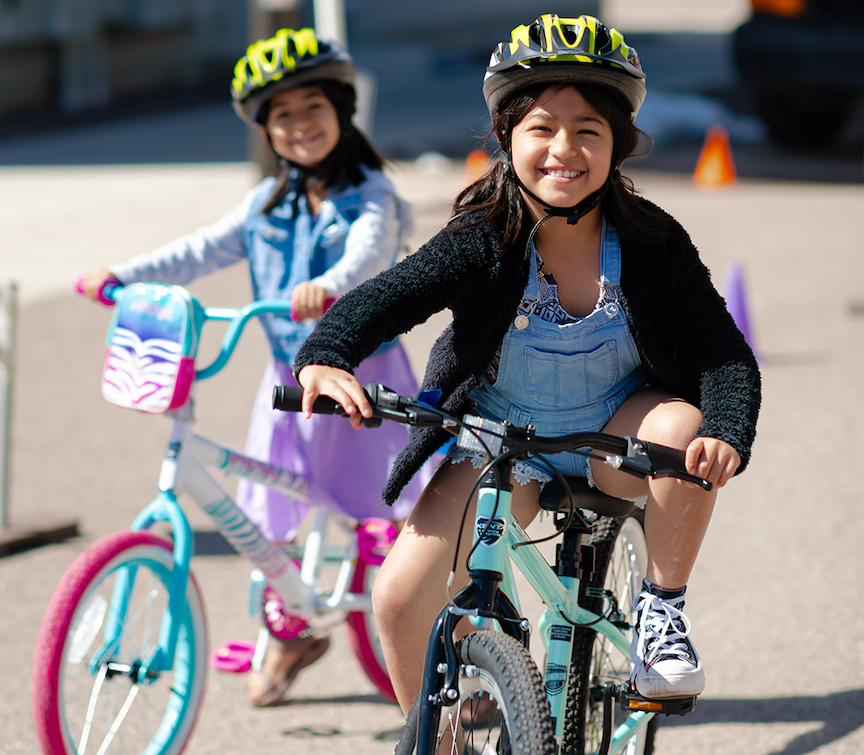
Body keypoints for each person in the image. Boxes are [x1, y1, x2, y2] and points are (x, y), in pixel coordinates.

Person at [293, 12, 761, 714]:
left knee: (681, 425)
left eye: (587, 131)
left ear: (618, 145)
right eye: (541, 128)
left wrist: (725, 425)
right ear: (506, 137)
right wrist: (326, 356)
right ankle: (441, 733)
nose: (562, 149)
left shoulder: (652, 242)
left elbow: (722, 351)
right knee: (395, 600)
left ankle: (662, 614)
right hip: (503, 443)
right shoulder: (481, 237)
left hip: (614, 432)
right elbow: (386, 298)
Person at [80, 27, 430, 707]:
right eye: (281, 116)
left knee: (384, 526)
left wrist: (329, 286)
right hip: (288, 389)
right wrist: (121, 275)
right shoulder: (265, 206)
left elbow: (368, 253)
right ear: (266, 130)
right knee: (267, 519)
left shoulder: (371, 196)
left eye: (312, 109)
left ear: (341, 111)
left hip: (361, 387)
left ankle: (425, 662)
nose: (298, 126)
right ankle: (292, 625)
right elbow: (199, 250)